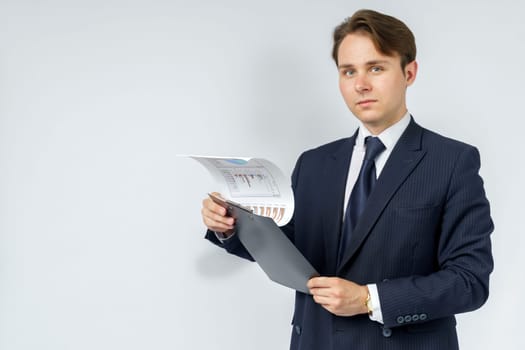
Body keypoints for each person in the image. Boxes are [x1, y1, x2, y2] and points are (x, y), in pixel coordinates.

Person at [200, 9, 493, 350]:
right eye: (348, 71)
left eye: (376, 68)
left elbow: (470, 281)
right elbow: (290, 250)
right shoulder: (314, 163)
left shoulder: (452, 161)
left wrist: (370, 299)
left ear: (409, 72)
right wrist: (230, 226)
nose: (361, 84)